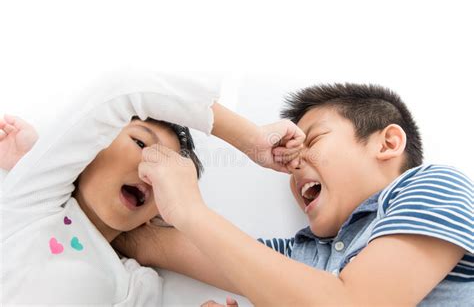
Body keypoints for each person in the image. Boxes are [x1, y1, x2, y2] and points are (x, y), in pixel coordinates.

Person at [113, 83, 473, 306]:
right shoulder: (296, 259)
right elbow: (139, 237)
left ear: (388, 143)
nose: (294, 165)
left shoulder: (432, 186)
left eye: (313, 140)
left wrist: (193, 211)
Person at [0, 71, 305, 306]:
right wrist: (249, 138)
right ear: (91, 148)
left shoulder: (137, 284)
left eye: (170, 173)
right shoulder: (33, 200)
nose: (150, 171)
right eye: (140, 143)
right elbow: (126, 88)